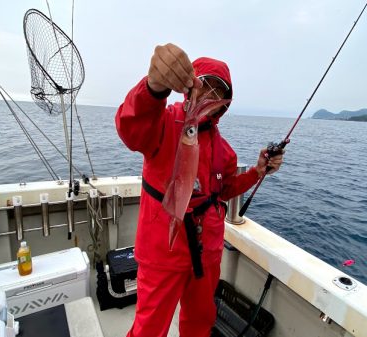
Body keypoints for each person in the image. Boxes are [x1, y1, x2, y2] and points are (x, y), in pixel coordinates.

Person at [115, 43, 283, 337]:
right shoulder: (163, 120)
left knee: (200, 323)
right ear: (189, 87)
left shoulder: (224, 150)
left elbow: (226, 188)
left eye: (220, 92)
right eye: (206, 86)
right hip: (162, 251)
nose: (212, 96)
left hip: (207, 254)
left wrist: (257, 172)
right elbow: (131, 127)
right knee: (149, 328)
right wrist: (154, 86)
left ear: (225, 103)